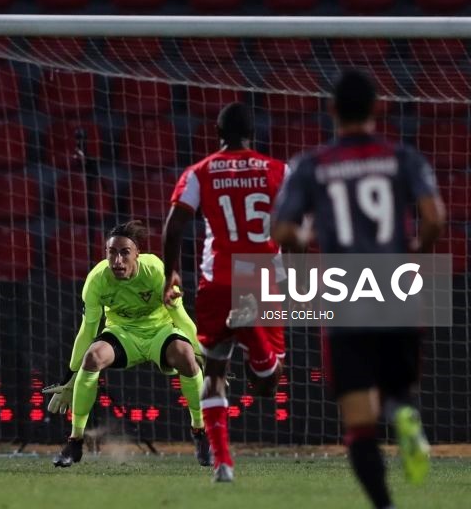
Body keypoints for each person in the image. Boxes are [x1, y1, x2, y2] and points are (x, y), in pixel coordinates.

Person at [272, 69, 443, 508]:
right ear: (376, 108)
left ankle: (384, 504)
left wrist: (307, 238)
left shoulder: (312, 165)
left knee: (358, 423)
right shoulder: (402, 157)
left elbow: (282, 229)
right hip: (396, 284)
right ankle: (402, 412)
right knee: (397, 388)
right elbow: (434, 217)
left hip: (345, 289)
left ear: (331, 110)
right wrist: (416, 253)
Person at [162, 102, 288, 482]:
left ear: (217, 133)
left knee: (214, 371)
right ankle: (253, 335)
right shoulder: (279, 170)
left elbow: (174, 225)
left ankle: (222, 462)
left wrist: (170, 273)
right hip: (262, 278)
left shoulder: (199, 172)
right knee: (267, 383)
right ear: (254, 134)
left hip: (216, 281)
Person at [43, 221, 209, 467]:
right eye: (112, 253)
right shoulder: (97, 280)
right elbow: (87, 331)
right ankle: (74, 441)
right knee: (92, 357)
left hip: (159, 332)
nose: (117, 260)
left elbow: (182, 318)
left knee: (186, 356)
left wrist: (204, 357)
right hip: (122, 334)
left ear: (137, 254)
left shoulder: (156, 272)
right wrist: (69, 377)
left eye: (124, 253)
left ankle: (200, 432)